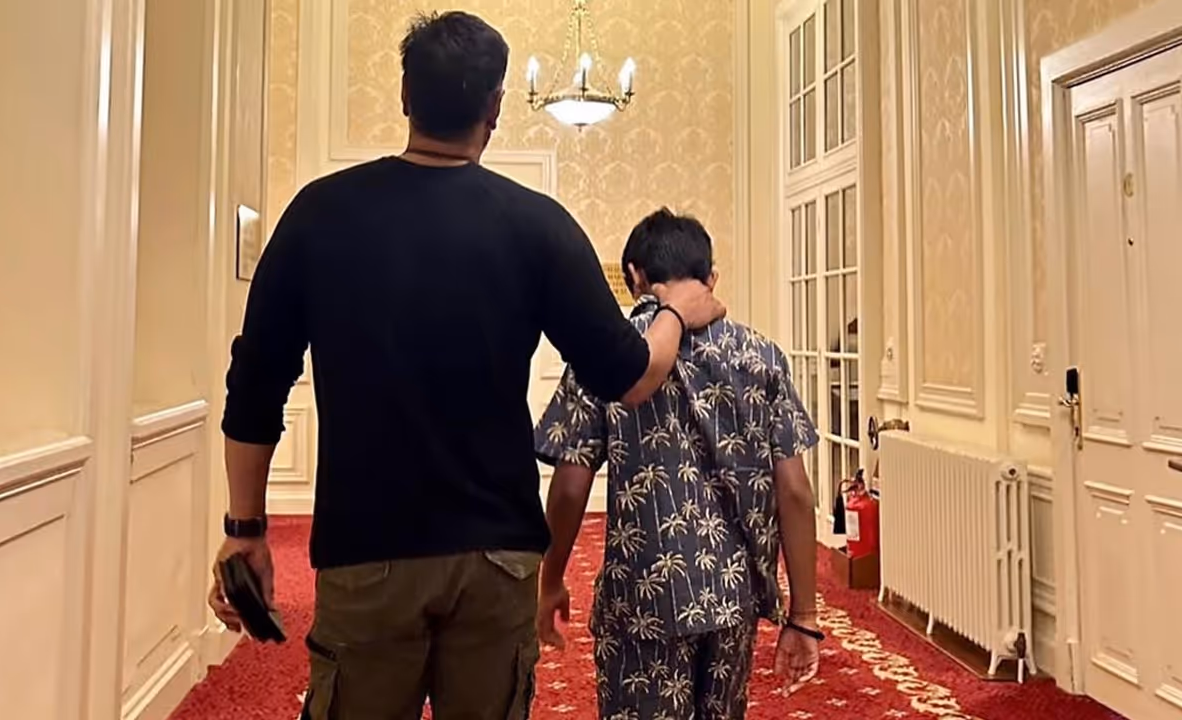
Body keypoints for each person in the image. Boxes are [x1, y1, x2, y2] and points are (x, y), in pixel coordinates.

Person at [207, 11, 725, 720]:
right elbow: (632, 375)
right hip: (496, 553)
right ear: (496, 106)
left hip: (366, 549)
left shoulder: (319, 214)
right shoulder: (538, 225)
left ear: (404, 96)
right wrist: (674, 309)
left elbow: (255, 384)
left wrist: (245, 530)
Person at [534, 208, 823, 719]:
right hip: (733, 592)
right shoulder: (762, 357)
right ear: (711, 277)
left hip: (642, 594)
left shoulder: (608, 355)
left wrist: (551, 577)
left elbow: (572, 484)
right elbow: (795, 491)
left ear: (634, 277)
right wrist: (803, 615)